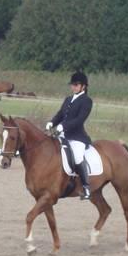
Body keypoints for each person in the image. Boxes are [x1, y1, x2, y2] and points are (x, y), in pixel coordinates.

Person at [46, 71, 93, 200]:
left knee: (78, 157)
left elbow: (79, 120)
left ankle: (86, 187)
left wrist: (63, 126)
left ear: (83, 86)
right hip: (63, 135)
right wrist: (52, 122)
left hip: (77, 137)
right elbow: (60, 114)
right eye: (72, 85)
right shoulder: (68, 99)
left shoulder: (87, 101)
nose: (73, 87)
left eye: (76, 85)